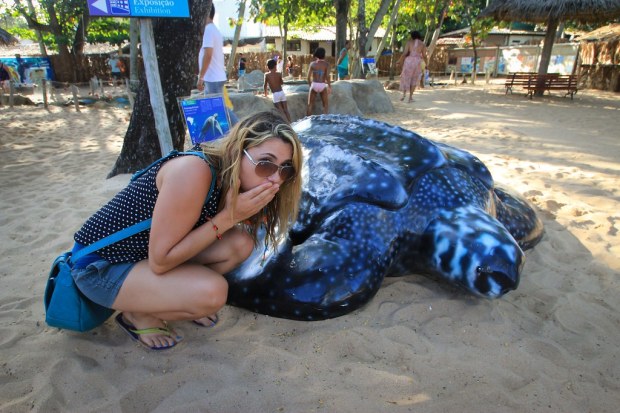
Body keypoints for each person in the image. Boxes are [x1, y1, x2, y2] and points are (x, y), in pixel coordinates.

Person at [69, 111, 303, 350]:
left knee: (241, 243)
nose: (276, 179)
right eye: (265, 164)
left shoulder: (228, 179)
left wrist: (236, 216)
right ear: (236, 151)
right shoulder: (195, 171)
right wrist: (229, 217)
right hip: (99, 267)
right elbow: (160, 262)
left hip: (141, 256)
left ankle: (173, 296)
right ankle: (136, 314)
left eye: (286, 170)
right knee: (212, 293)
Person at [197, 5, 239, 124]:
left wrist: (201, 77)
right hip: (214, 77)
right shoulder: (213, 29)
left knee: (220, 108)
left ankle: (241, 129)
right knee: (215, 108)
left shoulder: (209, 30)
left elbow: (208, 55)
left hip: (213, 78)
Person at [397, 30, 428, 103]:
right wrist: (426, 64)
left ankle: (404, 95)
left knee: (406, 77)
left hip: (409, 61)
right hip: (417, 62)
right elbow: (424, 55)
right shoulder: (422, 44)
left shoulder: (409, 42)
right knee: (414, 79)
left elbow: (404, 53)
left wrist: (399, 61)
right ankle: (410, 97)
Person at [306, 47, 331, 116]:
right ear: (324, 55)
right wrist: (329, 86)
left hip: (314, 84)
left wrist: (310, 86)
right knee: (325, 105)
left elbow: (308, 77)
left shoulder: (312, 64)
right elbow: (327, 76)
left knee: (310, 105)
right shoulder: (327, 64)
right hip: (322, 85)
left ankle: (307, 120)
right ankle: (324, 120)